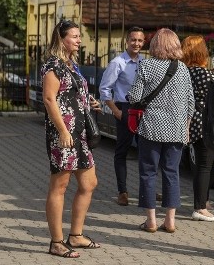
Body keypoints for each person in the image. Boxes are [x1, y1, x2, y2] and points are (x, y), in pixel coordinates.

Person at [42, 19, 101, 258]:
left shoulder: (71, 64)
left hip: (80, 133)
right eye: (74, 36)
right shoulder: (53, 65)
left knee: (89, 183)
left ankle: (75, 235)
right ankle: (56, 242)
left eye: (79, 36)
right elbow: (49, 99)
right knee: (60, 186)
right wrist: (63, 131)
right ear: (61, 39)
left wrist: (90, 102)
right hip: (63, 134)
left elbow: (72, 94)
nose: (79, 40)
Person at [127, 28, 194, 233]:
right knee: (171, 173)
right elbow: (190, 103)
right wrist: (186, 127)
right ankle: (170, 221)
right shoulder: (182, 69)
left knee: (148, 172)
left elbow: (135, 97)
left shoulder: (145, 65)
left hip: (150, 128)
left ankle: (151, 221)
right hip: (177, 129)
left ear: (155, 45)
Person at [98, 26, 146, 206]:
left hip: (142, 110)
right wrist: (116, 111)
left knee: (146, 152)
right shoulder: (117, 63)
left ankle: (145, 190)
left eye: (140, 40)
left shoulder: (144, 62)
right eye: (133, 40)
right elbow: (104, 89)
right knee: (122, 152)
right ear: (127, 41)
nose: (136, 43)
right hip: (124, 109)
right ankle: (122, 191)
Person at [181, 35, 214, 222]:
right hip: (204, 123)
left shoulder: (185, 71)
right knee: (205, 165)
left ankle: (204, 202)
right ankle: (200, 207)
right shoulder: (204, 74)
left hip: (193, 122)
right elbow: (213, 95)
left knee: (202, 165)